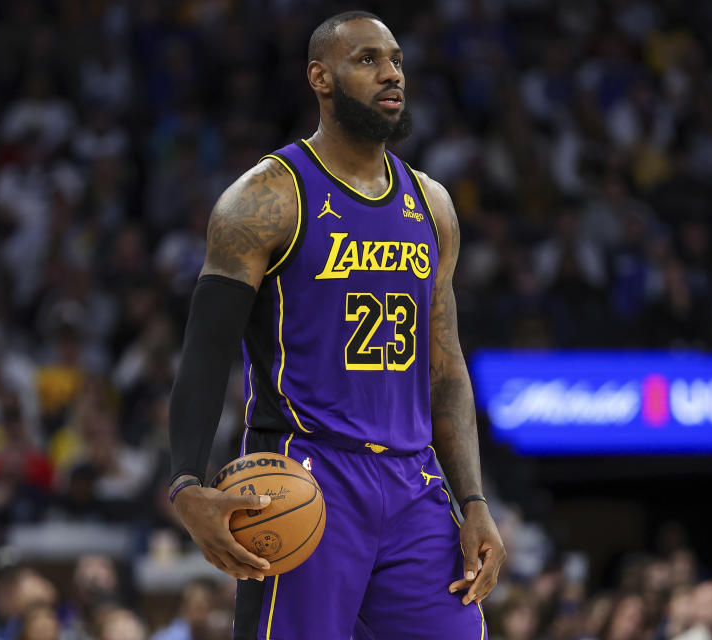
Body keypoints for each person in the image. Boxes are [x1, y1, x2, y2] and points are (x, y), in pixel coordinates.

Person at [165, 10, 505, 640]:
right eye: (368, 59)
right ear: (320, 77)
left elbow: (445, 364)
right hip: (308, 472)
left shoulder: (433, 205)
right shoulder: (266, 197)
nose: (391, 73)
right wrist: (186, 482)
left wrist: (475, 501)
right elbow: (205, 353)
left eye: (396, 59)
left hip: (414, 483)